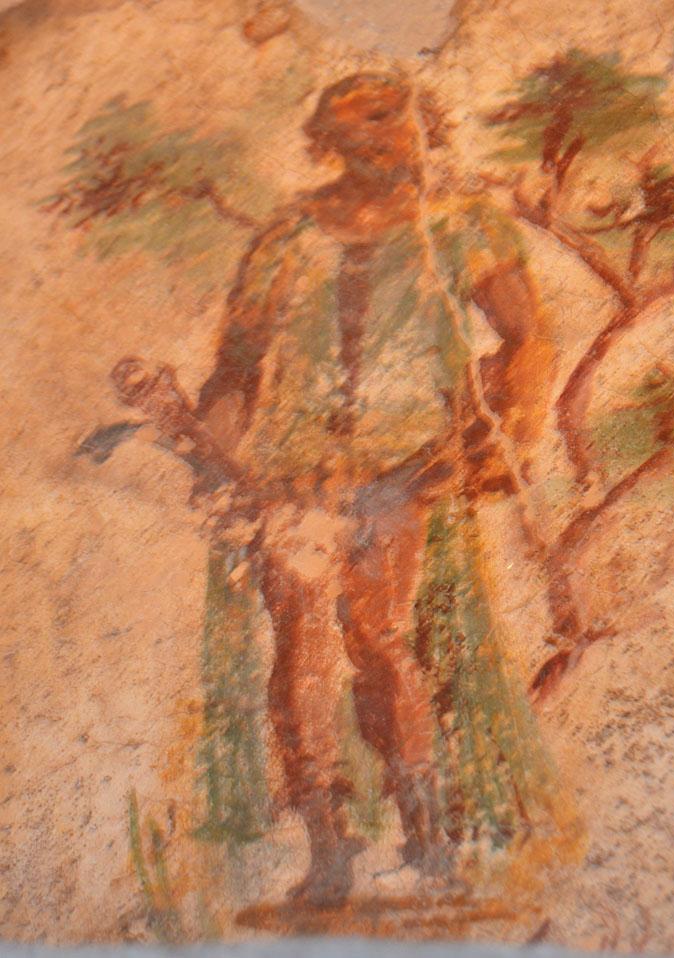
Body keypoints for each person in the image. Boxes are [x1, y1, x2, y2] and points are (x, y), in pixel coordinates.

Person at [192, 71, 566, 906]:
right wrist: (211, 459)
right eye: (358, 127)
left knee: (379, 639)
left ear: (421, 124)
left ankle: (426, 835)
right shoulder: (289, 237)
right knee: (298, 649)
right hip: (294, 474)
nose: (382, 139)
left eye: (392, 120)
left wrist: (499, 437)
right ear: (329, 142)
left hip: (406, 467)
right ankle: (328, 846)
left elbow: (529, 338)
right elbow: (237, 367)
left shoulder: (462, 224)